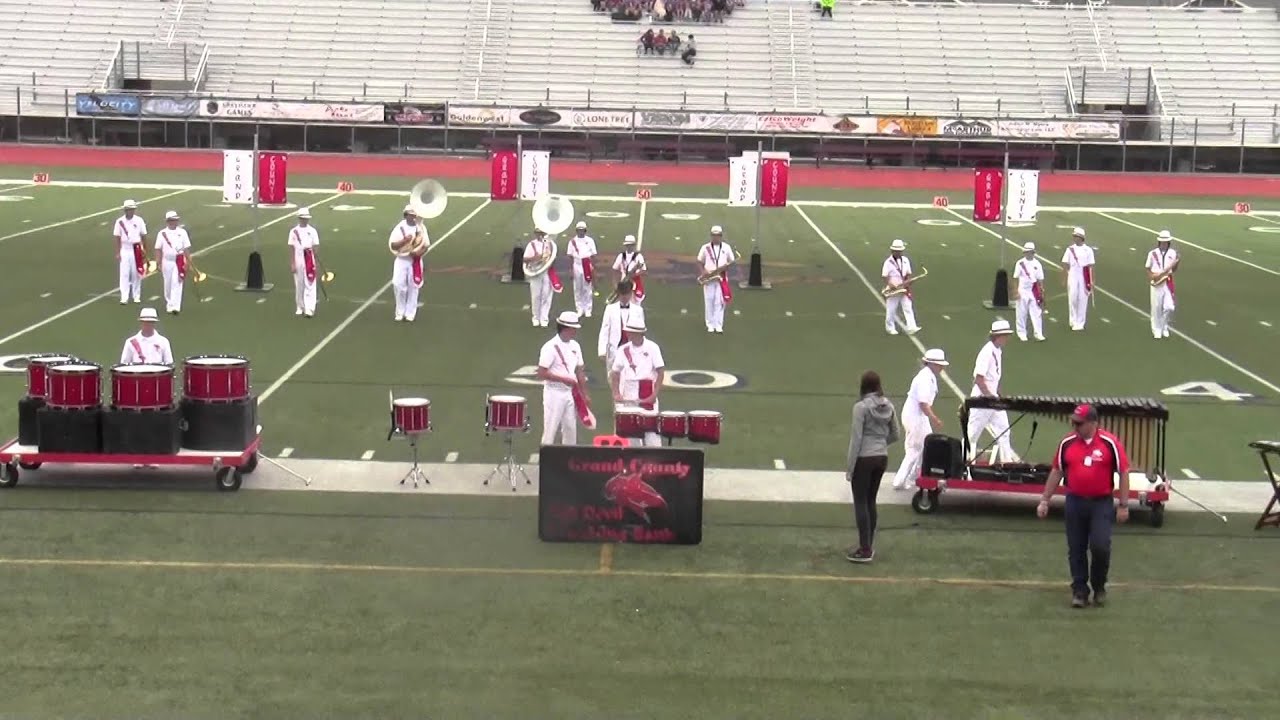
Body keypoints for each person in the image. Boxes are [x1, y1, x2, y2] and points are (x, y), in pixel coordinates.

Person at [1037, 404, 1130, 608]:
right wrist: (1045, 499)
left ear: (1093, 423)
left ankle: (1099, 586)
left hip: (1101, 503)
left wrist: (1123, 505)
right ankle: (1079, 590)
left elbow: (1123, 472)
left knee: (1100, 546)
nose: (1075, 426)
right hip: (1075, 501)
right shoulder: (1067, 443)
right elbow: (1057, 471)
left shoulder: (1109, 443)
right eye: (1074, 422)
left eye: (1079, 423)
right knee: (1076, 548)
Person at [845, 370, 899, 563]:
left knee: (860, 502)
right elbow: (895, 434)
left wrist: (850, 466)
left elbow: (856, 439)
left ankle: (865, 548)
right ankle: (868, 544)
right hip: (881, 457)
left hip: (864, 458)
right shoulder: (889, 406)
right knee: (870, 501)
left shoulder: (860, 408)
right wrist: (880, 444)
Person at [892, 349, 948, 491]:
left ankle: (913, 477)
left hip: (917, 416)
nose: (942, 368)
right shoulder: (924, 378)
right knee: (915, 449)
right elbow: (923, 404)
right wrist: (934, 418)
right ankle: (901, 480)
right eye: (939, 365)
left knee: (924, 447)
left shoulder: (928, 376)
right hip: (916, 417)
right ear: (932, 364)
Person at [966, 319, 1019, 463]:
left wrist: (997, 395)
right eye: (1005, 335)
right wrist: (990, 397)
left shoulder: (997, 351)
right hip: (982, 400)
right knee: (972, 435)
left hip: (992, 398)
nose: (1007, 338)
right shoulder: (986, 352)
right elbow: (979, 379)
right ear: (998, 336)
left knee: (1004, 430)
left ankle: (1006, 463)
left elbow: (994, 377)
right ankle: (963, 461)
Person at [610, 320, 666, 446]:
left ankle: (654, 463)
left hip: (646, 389)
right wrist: (616, 393)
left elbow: (661, 372)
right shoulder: (623, 350)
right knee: (631, 434)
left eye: (633, 333)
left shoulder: (652, 347)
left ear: (641, 333)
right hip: (629, 392)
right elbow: (615, 372)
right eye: (629, 332)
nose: (630, 335)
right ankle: (634, 463)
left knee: (651, 433)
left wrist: (654, 395)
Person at [536, 311, 589, 445]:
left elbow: (580, 370)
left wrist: (585, 394)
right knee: (550, 429)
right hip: (554, 393)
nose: (575, 331)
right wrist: (564, 379)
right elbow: (542, 373)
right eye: (573, 328)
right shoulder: (549, 347)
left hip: (570, 393)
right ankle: (546, 461)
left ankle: (569, 461)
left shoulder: (575, 346)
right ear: (566, 328)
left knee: (570, 429)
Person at [388, 204, 429, 322]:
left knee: (414, 286)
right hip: (402, 260)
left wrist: (419, 253)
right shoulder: (399, 228)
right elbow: (393, 245)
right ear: (406, 215)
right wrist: (404, 241)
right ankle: (400, 312)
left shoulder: (421, 228)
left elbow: (426, 245)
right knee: (398, 284)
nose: (413, 217)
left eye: (414, 215)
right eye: (411, 215)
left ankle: (410, 313)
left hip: (415, 260)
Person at [598, 280, 646, 374]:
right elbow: (605, 329)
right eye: (622, 294)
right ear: (619, 294)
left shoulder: (638, 310)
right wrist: (602, 350)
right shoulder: (610, 309)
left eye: (627, 294)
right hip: (614, 348)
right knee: (613, 377)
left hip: (633, 349)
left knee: (631, 376)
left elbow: (641, 331)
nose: (625, 297)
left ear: (631, 293)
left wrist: (642, 349)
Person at [696, 225, 734, 333]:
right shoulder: (705, 247)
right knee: (709, 300)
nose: (716, 238)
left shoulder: (726, 247)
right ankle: (710, 324)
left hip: (721, 278)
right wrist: (703, 271)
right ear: (711, 236)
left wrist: (726, 267)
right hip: (709, 277)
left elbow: (731, 261)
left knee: (720, 302)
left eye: (718, 235)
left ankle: (718, 324)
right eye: (714, 235)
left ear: (721, 236)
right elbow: (699, 261)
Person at [153, 210, 191, 316]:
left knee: (178, 282)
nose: (174, 222)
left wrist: (188, 261)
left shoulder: (182, 232)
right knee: (168, 283)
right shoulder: (162, 234)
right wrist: (158, 262)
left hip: (179, 260)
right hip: (167, 261)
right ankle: (169, 303)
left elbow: (186, 248)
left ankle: (175, 306)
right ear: (168, 221)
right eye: (172, 220)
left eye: (175, 220)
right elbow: (158, 249)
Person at [882, 238, 921, 336]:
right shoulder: (888, 262)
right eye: (897, 251)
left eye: (900, 251)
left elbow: (908, 273)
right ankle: (890, 328)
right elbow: (885, 276)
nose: (899, 253)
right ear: (892, 251)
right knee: (891, 309)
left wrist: (908, 282)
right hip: (893, 289)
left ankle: (911, 327)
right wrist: (891, 285)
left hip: (903, 288)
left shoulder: (905, 260)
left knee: (908, 307)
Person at [113, 199, 148, 305]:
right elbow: (117, 237)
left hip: (136, 248)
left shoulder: (139, 220)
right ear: (125, 210)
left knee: (136, 272)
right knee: (124, 273)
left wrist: (144, 251)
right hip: (125, 248)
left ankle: (136, 295)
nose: (130, 211)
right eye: (128, 209)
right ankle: (124, 297)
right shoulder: (119, 221)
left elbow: (144, 236)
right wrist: (118, 252)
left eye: (132, 209)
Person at [1146, 230, 1179, 340]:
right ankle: (1156, 330)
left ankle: (1164, 325)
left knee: (1169, 307)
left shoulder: (1172, 253)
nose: (1164, 243)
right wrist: (1152, 276)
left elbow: (1174, 269)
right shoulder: (1152, 253)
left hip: (1168, 281)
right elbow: (1148, 267)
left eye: (1166, 242)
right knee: (1156, 308)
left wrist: (1177, 263)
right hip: (1156, 282)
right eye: (1162, 241)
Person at [287, 207, 320, 318]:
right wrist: (292, 263)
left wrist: (314, 255)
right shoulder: (293, 231)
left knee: (310, 283)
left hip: (309, 258)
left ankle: (310, 308)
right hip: (298, 258)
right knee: (299, 284)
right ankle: (300, 306)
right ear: (299, 218)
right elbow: (291, 247)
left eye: (305, 218)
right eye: (302, 218)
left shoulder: (312, 231)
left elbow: (316, 246)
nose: (304, 220)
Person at [1061, 226, 1094, 331]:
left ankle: (1080, 322)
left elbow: (1090, 266)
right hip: (1073, 274)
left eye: (1077, 236)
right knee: (1073, 297)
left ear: (1081, 238)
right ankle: (1073, 320)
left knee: (1083, 299)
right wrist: (1064, 278)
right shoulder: (1070, 249)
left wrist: (1092, 280)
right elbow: (1065, 264)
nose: (1075, 238)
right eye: (1074, 236)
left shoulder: (1088, 250)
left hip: (1084, 275)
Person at [524, 228, 558, 327]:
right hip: (535, 272)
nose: (540, 235)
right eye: (538, 233)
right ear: (535, 233)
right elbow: (525, 259)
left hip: (546, 271)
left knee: (546, 295)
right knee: (536, 296)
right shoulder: (531, 244)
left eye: (541, 233)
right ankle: (535, 318)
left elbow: (553, 256)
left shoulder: (549, 244)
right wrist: (536, 258)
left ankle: (544, 319)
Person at [1013, 241, 1046, 342]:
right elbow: (1015, 278)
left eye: (1029, 252)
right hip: (1022, 290)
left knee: (1037, 312)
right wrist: (1016, 291)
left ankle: (1038, 333)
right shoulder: (1020, 263)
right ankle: (1022, 333)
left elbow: (1040, 279)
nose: (1028, 253)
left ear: (1033, 252)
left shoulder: (1037, 264)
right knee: (1021, 313)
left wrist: (1041, 292)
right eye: (1026, 252)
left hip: (1034, 291)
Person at [566, 221, 598, 318]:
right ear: (576, 231)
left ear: (585, 230)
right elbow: (570, 256)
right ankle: (579, 309)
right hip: (577, 264)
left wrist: (593, 268)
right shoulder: (572, 242)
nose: (581, 232)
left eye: (582, 230)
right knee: (577, 288)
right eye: (579, 230)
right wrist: (571, 269)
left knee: (587, 287)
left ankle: (588, 309)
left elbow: (593, 255)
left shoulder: (590, 241)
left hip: (586, 264)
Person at [613, 235, 647, 303]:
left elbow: (643, 270)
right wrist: (615, 284)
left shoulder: (638, 256)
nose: (629, 247)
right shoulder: (621, 256)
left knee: (636, 302)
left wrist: (634, 275)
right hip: (624, 283)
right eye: (628, 245)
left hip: (635, 282)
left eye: (631, 245)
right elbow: (615, 270)